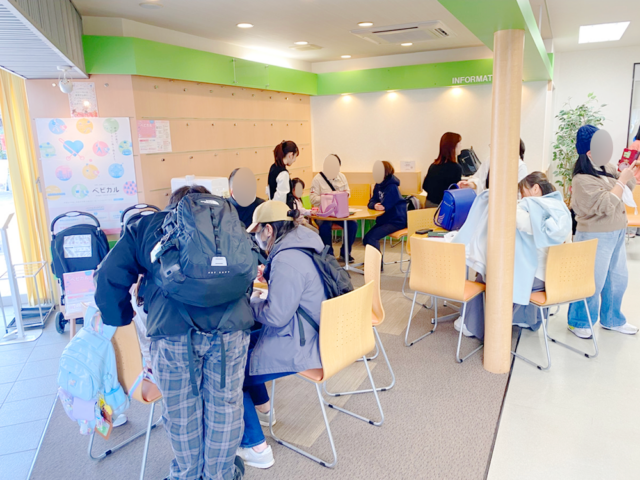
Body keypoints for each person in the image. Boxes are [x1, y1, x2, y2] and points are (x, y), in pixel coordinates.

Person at [95, 185, 253, 480]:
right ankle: (220, 474)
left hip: (172, 332)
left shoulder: (147, 226)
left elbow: (107, 275)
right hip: (231, 329)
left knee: (182, 409)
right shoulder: (228, 222)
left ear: (173, 206)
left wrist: (121, 317)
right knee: (226, 404)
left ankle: (187, 474)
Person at [238, 201, 326, 469]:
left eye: (257, 233)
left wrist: (254, 297)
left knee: (230, 371)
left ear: (268, 230)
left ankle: (256, 447)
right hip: (313, 331)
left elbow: (275, 316)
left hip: (301, 343)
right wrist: (269, 281)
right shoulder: (305, 243)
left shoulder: (287, 259)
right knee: (242, 348)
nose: (256, 239)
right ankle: (264, 410)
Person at [455, 172, 572, 338]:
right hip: (555, 277)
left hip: (536, 279)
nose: (522, 198)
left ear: (535, 189)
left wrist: (499, 199)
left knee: (486, 274)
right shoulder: (561, 210)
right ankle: (524, 318)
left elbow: (514, 217)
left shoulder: (533, 211)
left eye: (523, 193)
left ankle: (470, 324)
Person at [567, 125, 639, 338]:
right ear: (590, 152)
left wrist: (627, 170)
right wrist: (621, 180)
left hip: (616, 231)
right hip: (594, 235)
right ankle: (579, 321)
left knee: (617, 279)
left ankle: (612, 319)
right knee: (591, 281)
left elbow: (628, 187)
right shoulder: (581, 179)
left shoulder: (606, 167)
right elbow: (606, 204)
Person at [310, 154, 357, 261]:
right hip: (324, 213)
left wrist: (343, 195)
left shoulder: (342, 177)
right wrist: (328, 198)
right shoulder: (317, 179)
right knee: (325, 227)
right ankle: (329, 255)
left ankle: (345, 253)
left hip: (339, 212)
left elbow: (348, 192)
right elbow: (312, 199)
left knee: (353, 225)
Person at [363, 161, 407, 251]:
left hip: (396, 221)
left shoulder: (392, 187)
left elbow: (384, 206)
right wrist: (375, 205)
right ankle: (374, 258)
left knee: (372, 238)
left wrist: (377, 205)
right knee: (367, 239)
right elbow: (371, 202)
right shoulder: (378, 185)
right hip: (385, 220)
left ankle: (378, 260)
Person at [458, 139, 528, 194]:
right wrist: (471, 184)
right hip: (487, 203)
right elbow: (479, 179)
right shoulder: (490, 160)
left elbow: (519, 193)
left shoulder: (520, 166)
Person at [422, 132, 463, 207]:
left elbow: (425, 186)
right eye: (459, 143)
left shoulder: (433, 166)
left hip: (429, 204)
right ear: (453, 146)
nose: (461, 146)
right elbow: (455, 192)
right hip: (444, 207)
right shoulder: (456, 168)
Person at [267, 140, 298, 208]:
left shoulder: (273, 167)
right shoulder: (283, 173)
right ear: (290, 155)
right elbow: (281, 199)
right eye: (295, 156)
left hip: (272, 207)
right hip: (280, 210)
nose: (295, 160)